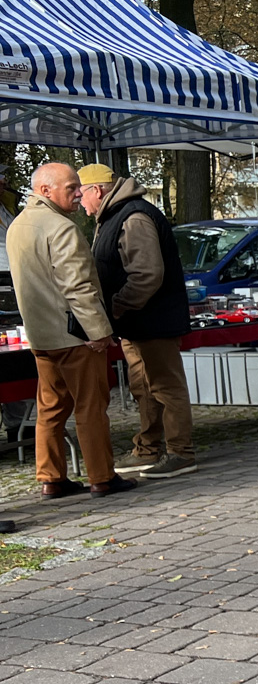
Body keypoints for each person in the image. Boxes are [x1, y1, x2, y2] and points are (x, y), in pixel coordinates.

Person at [7, 163, 136, 499]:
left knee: (50, 408)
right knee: (90, 406)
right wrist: (98, 332)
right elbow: (78, 286)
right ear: (45, 190)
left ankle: (51, 478)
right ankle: (102, 477)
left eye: (78, 186)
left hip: (41, 335)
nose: (79, 192)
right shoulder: (61, 227)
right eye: (71, 187)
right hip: (75, 335)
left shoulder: (17, 225)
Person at [79, 165, 196, 480]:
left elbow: (147, 275)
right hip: (136, 320)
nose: (79, 201)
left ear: (97, 190)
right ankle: (148, 449)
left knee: (166, 386)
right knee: (143, 387)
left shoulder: (134, 217)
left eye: (81, 193)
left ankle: (181, 452)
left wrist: (117, 305)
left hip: (152, 319)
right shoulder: (115, 215)